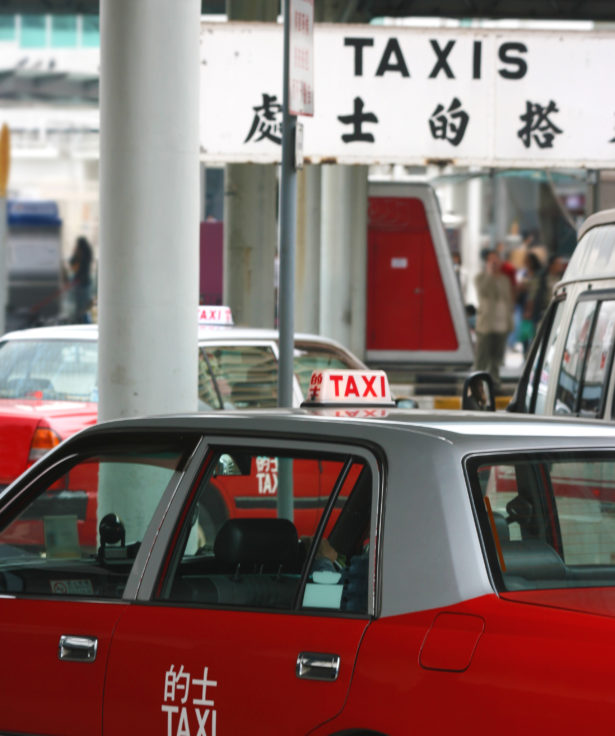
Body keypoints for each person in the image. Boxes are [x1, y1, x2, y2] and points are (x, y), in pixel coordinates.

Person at [473, 249, 514, 384]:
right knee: (482, 356)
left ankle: (494, 381)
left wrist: (510, 322)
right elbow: (483, 291)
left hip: (502, 324)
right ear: (486, 262)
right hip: (486, 323)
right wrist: (489, 273)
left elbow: (508, 299)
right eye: (491, 260)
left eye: (496, 259)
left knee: (496, 358)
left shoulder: (504, 279)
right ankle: (476, 381)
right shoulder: (480, 278)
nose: (495, 262)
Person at [68, 236, 93, 323]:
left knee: (80, 305)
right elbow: (72, 262)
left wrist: (75, 252)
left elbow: (72, 263)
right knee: (83, 305)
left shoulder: (83, 255)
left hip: (80, 283)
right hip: (84, 283)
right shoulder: (87, 253)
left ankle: (80, 320)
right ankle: (82, 320)